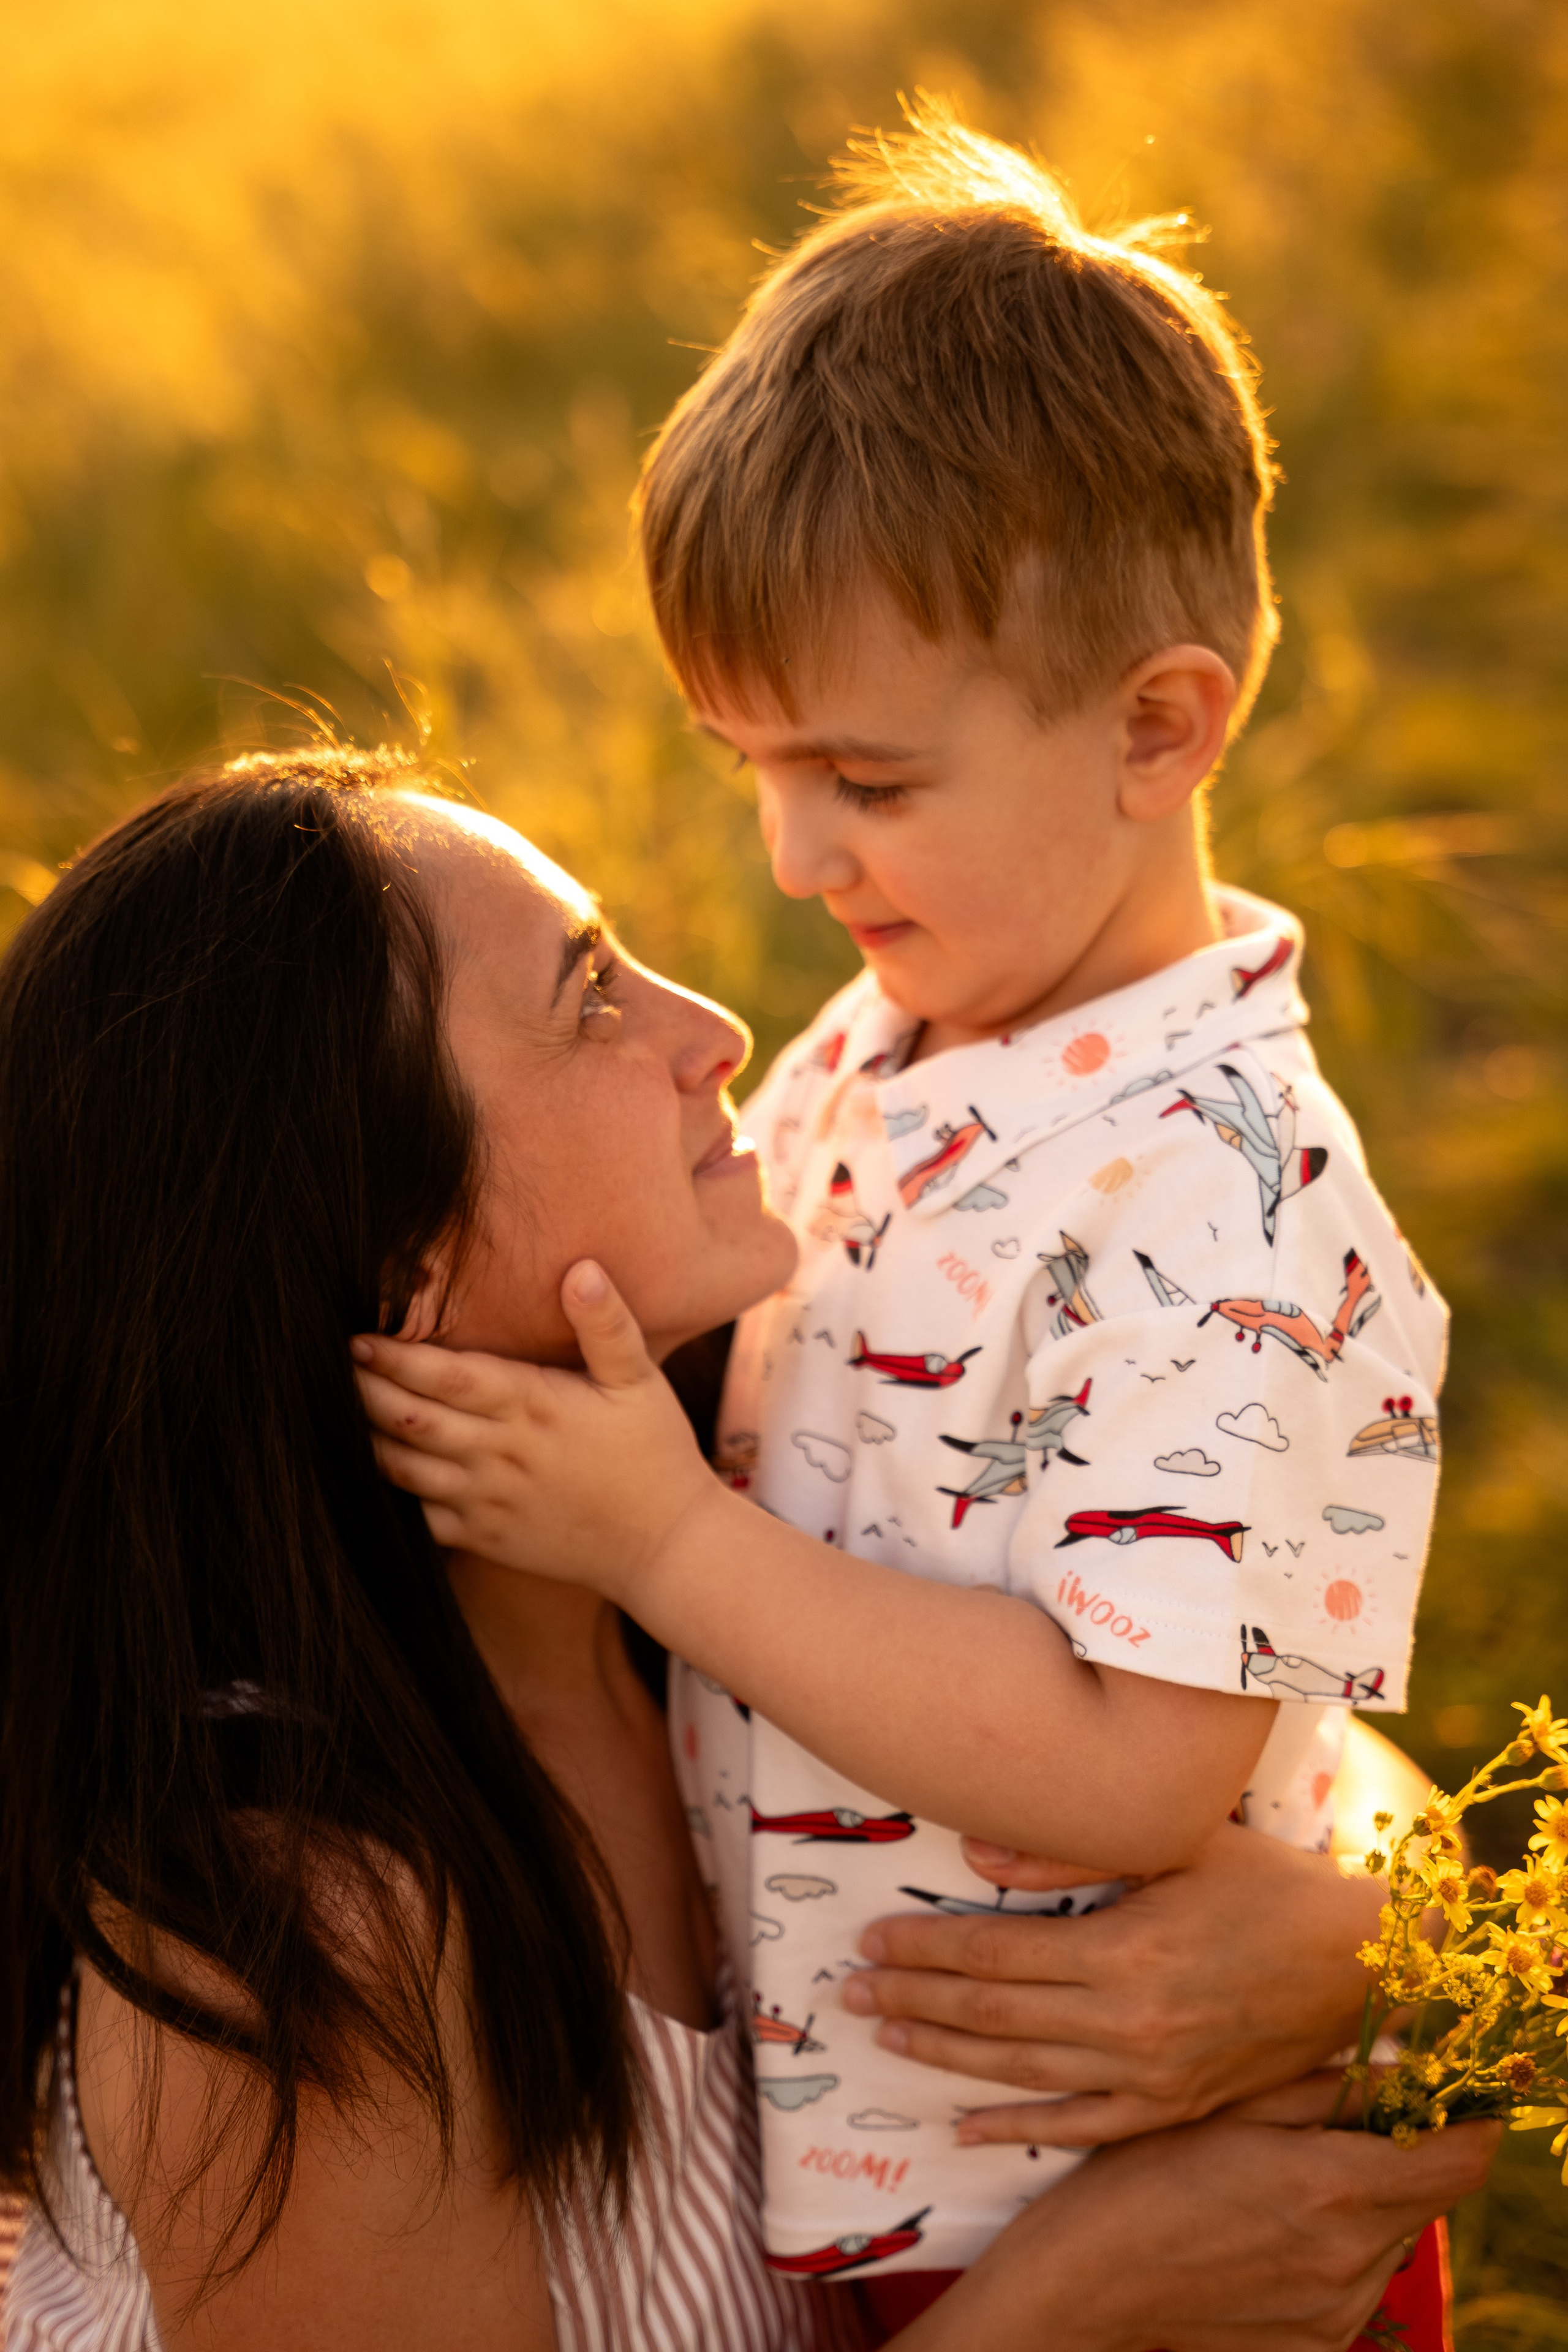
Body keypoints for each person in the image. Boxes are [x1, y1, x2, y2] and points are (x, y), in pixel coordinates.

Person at [352, 103, 1451, 2335]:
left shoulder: (1221, 1201)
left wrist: (665, 1543)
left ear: (1160, 728)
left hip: (1139, 2231)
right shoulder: (899, 1041)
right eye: (745, 761)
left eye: (864, 781)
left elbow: (1145, 1767)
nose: (786, 853)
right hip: (898, 2184)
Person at [0, 753, 1494, 2352]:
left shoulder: (737, 1502)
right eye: (587, 996)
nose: (712, 1028)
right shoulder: (291, 1953)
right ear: (404, 1269)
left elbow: (1348, 1793)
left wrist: (1356, 1956)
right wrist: (1068, 2307)